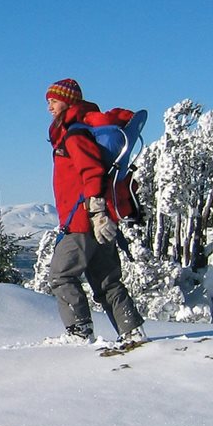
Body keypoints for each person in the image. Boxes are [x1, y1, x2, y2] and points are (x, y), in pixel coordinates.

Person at [45, 78, 146, 345]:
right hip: (100, 220)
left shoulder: (75, 134)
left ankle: (80, 332)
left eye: (53, 100)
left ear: (69, 101)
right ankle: (132, 332)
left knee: (61, 274)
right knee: (107, 282)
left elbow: (92, 171)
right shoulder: (81, 130)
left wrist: (96, 210)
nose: (49, 107)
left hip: (82, 221)